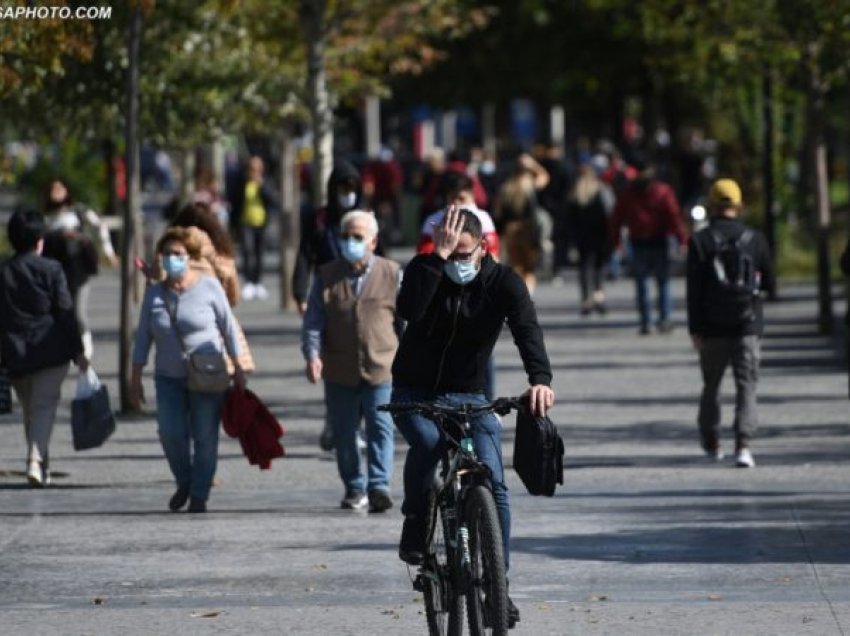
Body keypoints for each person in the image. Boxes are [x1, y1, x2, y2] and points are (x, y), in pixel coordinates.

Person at [389, 207, 555, 628]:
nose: (458, 261)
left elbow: (526, 328)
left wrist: (540, 379)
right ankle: (416, 522)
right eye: (451, 251)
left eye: (465, 252)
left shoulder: (503, 282)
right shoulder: (426, 269)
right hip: (415, 390)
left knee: (494, 482)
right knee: (428, 445)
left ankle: (499, 584)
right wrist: (435, 259)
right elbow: (409, 308)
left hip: (469, 394)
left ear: (483, 246)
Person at [130, 227, 246, 512]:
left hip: (206, 375)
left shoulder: (209, 286)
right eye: (167, 254)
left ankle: (199, 493)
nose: (172, 259)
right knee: (170, 433)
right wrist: (135, 377)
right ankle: (184, 479)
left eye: (178, 254)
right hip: (168, 377)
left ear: (191, 258)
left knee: (205, 436)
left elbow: (228, 326)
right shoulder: (155, 294)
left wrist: (238, 366)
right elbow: (143, 336)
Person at [301, 210, 400, 511]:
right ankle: (355, 487)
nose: (351, 242)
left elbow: (407, 320)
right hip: (339, 367)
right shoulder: (327, 276)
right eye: (346, 236)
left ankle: (379, 485)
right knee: (344, 433)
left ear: (372, 241)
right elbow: (313, 321)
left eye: (358, 236)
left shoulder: (393, 273)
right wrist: (312, 355)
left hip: (381, 365)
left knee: (380, 426)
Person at [686, 179, 774, 468]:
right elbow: (770, 284)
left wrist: (695, 328)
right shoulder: (755, 239)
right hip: (748, 325)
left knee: (711, 385)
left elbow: (694, 289)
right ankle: (743, 445)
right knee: (746, 385)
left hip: (711, 327)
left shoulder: (701, 241)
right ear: (738, 206)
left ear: (712, 205)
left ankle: (712, 441)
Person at [0, 209, 89, 487]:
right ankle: (35, 461)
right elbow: (65, 311)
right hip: (51, 351)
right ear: (40, 240)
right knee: (43, 408)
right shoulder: (51, 269)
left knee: (32, 410)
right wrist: (78, 350)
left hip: (14, 353)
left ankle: (40, 464)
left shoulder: (4, 272)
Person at [293, 160, 367, 452]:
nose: (347, 194)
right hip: (327, 295)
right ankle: (334, 418)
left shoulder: (366, 218)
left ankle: (355, 423)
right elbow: (304, 255)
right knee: (332, 362)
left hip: (362, 296)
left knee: (363, 364)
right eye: (342, 188)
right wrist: (299, 293)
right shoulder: (321, 219)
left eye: (352, 188)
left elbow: (382, 257)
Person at [610, 154, 687, 334]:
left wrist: (615, 241)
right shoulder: (662, 191)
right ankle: (664, 319)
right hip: (658, 240)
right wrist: (681, 239)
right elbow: (673, 216)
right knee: (662, 282)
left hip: (639, 241)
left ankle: (646, 321)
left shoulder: (628, 193)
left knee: (643, 283)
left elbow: (617, 218)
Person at [42, 178, 118, 358]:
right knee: (57, 311)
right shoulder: (45, 218)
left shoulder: (79, 211)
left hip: (78, 269)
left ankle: (85, 349)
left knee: (78, 312)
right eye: (53, 188)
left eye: (60, 187)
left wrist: (107, 252)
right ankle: (63, 347)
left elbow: (100, 226)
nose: (57, 192)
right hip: (55, 270)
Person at [494, 152, 550, 293]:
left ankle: (519, 293)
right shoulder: (529, 184)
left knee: (516, 265)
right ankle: (528, 294)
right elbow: (545, 177)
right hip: (528, 229)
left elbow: (498, 212)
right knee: (529, 266)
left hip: (510, 229)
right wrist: (533, 164)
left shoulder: (506, 187)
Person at [229, 156, 278, 301]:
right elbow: (235, 200)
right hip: (245, 222)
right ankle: (249, 281)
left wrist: (262, 186)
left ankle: (258, 282)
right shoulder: (242, 182)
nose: (254, 171)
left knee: (259, 252)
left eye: (257, 169)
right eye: (251, 168)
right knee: (247, 251)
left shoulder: (265, 182)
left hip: (261, 222)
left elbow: (273, 200)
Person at [567, 163, 611, 315]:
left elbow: (568, 219)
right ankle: (599, 297)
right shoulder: (600, 190)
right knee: (598, 267)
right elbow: (608, 213)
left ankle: (586, 300)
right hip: (599, 234)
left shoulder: (574, 194)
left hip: (581, 236)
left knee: (584, 268)